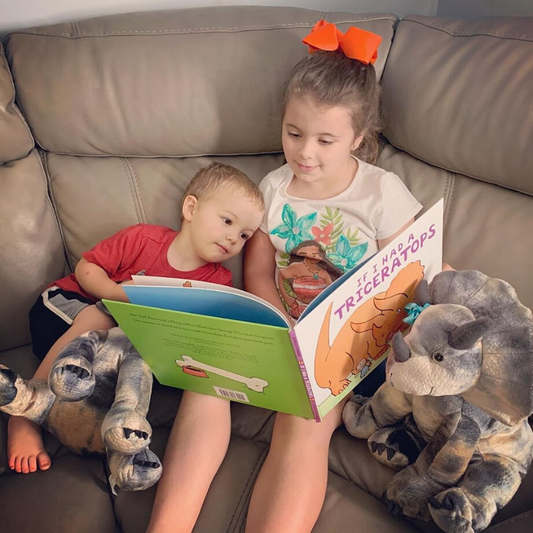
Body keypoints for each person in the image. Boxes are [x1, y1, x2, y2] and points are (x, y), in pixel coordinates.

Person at [243, 21, 423, 532]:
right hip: (289, 335)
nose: (305, 153)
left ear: (359, 138)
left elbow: (408, 276)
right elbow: (257, 270)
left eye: (326, 139)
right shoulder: (274, 188)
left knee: (305, 421)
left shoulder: (380, 192)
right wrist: (281, 324)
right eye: (293, 133)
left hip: (358, 342)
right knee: (287, 416)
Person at [8, 161, 265, 476]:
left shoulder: (219, 282)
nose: (233, 239)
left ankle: (114, 440)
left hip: (112, 345)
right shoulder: (144, 239)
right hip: (67, 309)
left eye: (243, 235)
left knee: (135, 360)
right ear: (191, 208)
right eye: (227, 221)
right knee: (100, 317)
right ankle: (23, 416)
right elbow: (86, 269)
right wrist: (116, 296)